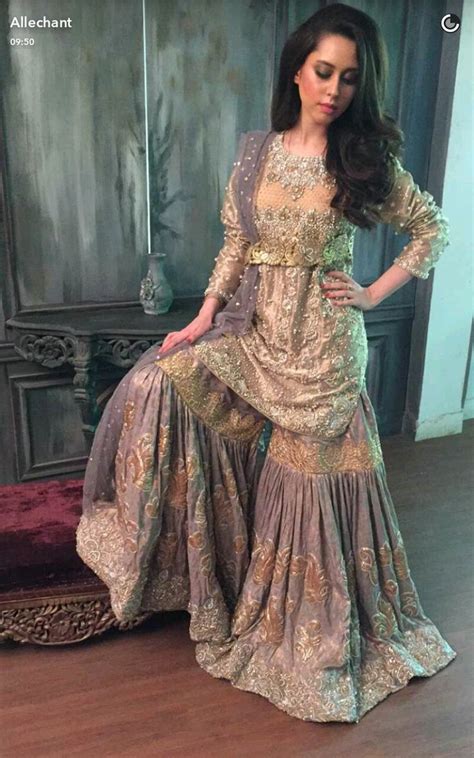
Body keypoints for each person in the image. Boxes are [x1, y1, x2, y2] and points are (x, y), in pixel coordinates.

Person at [76, 3, 456, 723]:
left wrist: (372, 293)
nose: (334, 89)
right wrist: (201, 317)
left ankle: (313, 631)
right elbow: (236, 244)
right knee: (159, 381)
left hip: (323, 348)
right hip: (255, 332)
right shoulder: (257, 153)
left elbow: (430, 228)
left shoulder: (362, 159)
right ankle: (194, 570)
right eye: (323, 71)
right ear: (296, 70)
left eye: (349, 78)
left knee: (305, 483)